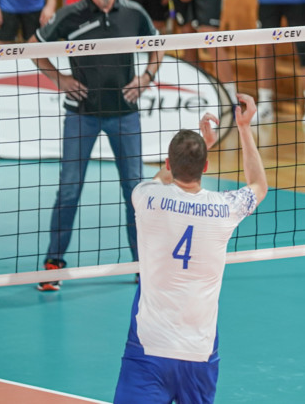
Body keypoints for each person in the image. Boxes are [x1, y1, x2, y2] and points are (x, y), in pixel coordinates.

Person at [113, 96, 268, 403]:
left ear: (168, 163)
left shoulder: (145, 197)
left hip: (148, 348)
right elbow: (259, 185)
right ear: (206, 167)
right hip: (199, 351)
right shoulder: (225, 208)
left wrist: (199, 147)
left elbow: (164, 180)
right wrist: (243, 126)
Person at [31, 0, 162, 291]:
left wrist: (146, 77)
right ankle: (52, 263)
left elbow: (158, 46)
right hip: (82, 115)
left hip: (124, 115)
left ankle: (141, 265)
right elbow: (34, 46)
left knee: (135, 191)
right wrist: (60, 79)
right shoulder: (71, 15)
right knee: (70, 189)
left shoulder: (134, 14)